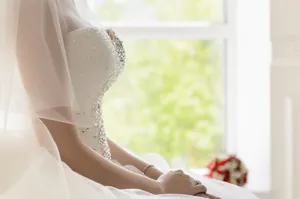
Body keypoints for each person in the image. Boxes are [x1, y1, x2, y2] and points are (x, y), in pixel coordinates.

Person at [0, 0, 258, 199]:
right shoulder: (33, 5)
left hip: (103, 167)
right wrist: (158, 189)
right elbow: (63, 145)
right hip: (71, 177)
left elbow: (86, 127)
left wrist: (156, 173)